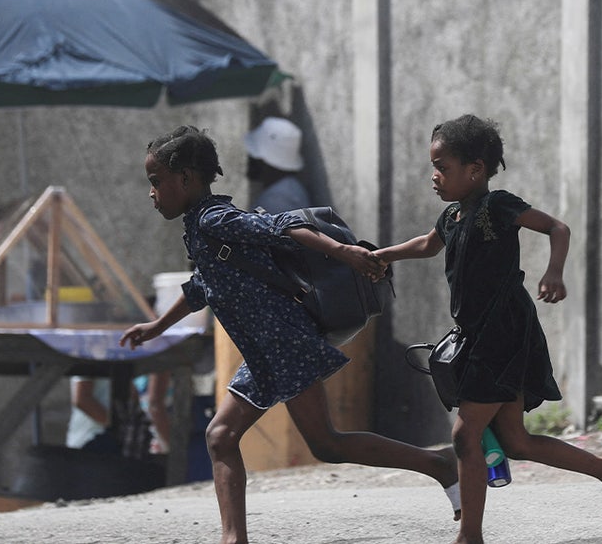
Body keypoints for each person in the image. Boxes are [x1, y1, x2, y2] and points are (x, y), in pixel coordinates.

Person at [121, 125, 459, 544]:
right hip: (265, 354)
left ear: (186, 179)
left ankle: (440, 464)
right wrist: (156, 326)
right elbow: (200, 287)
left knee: (327, 444)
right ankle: (233, 538)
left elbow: (282, 226)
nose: (152, 193)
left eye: (157, 182)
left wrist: (343, 251)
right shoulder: (199, 226)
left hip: (286, 346)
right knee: (221, 436)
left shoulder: (214, 219)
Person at [372, 114, 602, 544]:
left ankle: (470, 536)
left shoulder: (496, 206)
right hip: (479, 335)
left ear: (475, 170)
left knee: (466, 434)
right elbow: (427, 245)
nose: (435, 176)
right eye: (434, 166)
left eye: (442, 167)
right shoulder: (453, 216)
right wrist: (382, 255)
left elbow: (557, 227)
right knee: (515, 441)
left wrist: (554, 272)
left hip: (503, 331)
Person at [245, 116, 312, 213]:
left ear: (265, 161)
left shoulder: (277, 200)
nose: (249, 160)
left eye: (254, 155)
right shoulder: (286, 190)